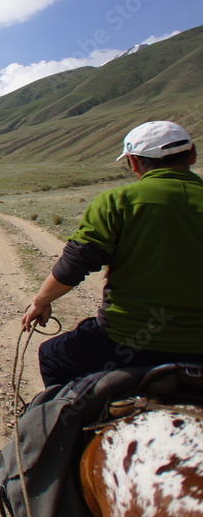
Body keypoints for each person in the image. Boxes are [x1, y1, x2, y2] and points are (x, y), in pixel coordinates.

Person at [21, 119, 203, 387]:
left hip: (128, 340)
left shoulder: (118, 203)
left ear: (133, 163)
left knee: (52, 356)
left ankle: (66, 427)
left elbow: (75, 264)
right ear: (192, 154)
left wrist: (40, 301)